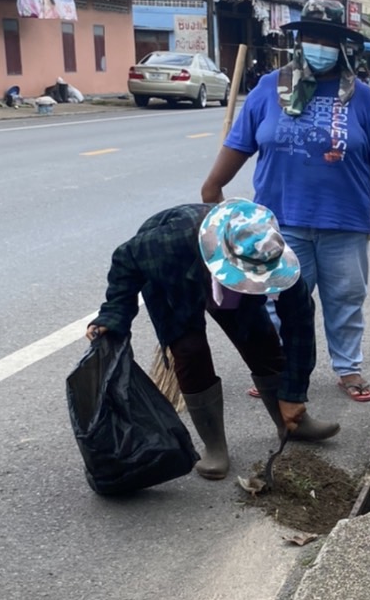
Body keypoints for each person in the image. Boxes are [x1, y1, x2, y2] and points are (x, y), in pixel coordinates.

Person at [201, 0, 370, 404]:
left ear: (342, 45)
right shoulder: (268, 89)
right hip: (282, 220)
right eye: (312, 37)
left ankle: (348, 368)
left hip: (344, 221)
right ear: (299, 40)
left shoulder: (360, 97)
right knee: (278, 302)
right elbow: (239, 144)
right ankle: (275, 367)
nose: (319, 45)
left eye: (328, 39)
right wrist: (212, 187)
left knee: (345, 299)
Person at [87, 200, 339, 481]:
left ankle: (291, 422)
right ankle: (215, 446)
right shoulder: (165, 243)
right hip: (175, 274)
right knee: (189, 349)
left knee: (261, 340)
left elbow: (299, 329)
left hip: (222, 278)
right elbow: (125, 261)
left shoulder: (271, 253)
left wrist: (294, 395)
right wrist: (112, 315)